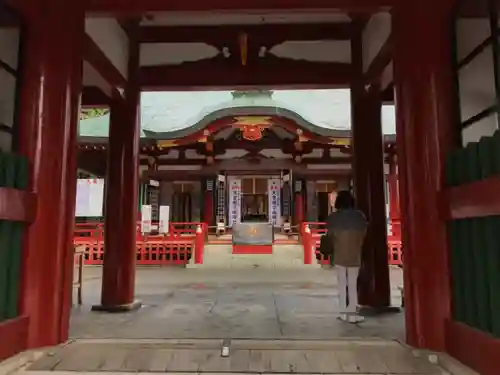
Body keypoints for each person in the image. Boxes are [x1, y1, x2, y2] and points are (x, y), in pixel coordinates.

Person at [326, 190, 367, 323]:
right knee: (352, 284)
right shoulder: (359, 216)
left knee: (342, 284)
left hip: (339, 254)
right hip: (354, 254)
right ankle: (352, 314)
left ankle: (343, 313)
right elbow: (363, 234)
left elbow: (330, 236)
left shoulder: (333, 217)